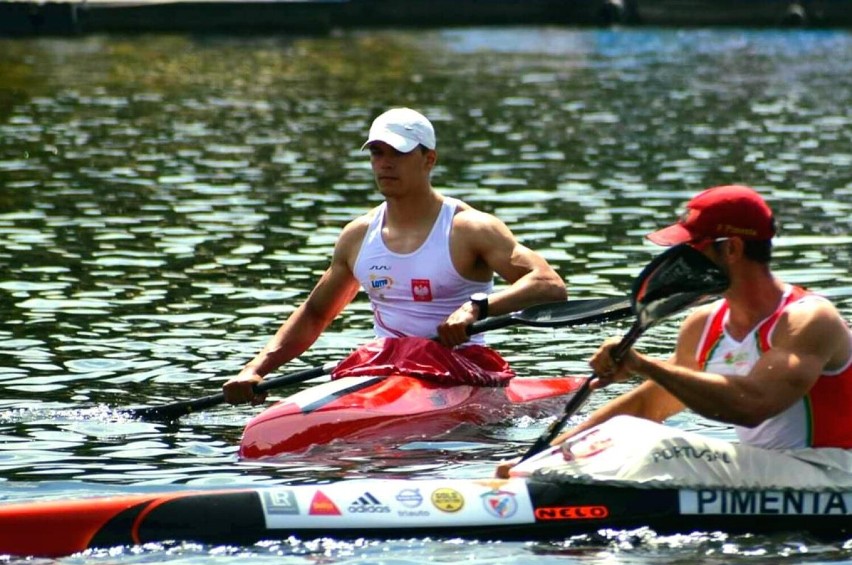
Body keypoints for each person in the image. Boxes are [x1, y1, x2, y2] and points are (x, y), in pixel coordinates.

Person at [224, 107, 567, 405]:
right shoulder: (358, 236)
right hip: (385, 364)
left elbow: (549, 285)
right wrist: (254, 370)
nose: (385, 164)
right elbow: (315, 315)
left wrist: (476, 308)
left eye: (398, 153)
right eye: (377, 153)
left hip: (458, 366)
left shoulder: (469, 229)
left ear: (429, 159)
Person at [550, 184, 852, 451]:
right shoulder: (703, 325)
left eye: (692, 247)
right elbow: (645, 406)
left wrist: (645, 366)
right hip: (765, 476)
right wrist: (543, 459)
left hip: (831, 476)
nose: (681, 258)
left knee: (657, 446)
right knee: (622, 434)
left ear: (731, 248)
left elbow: (755, 404)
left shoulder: (808, 319)